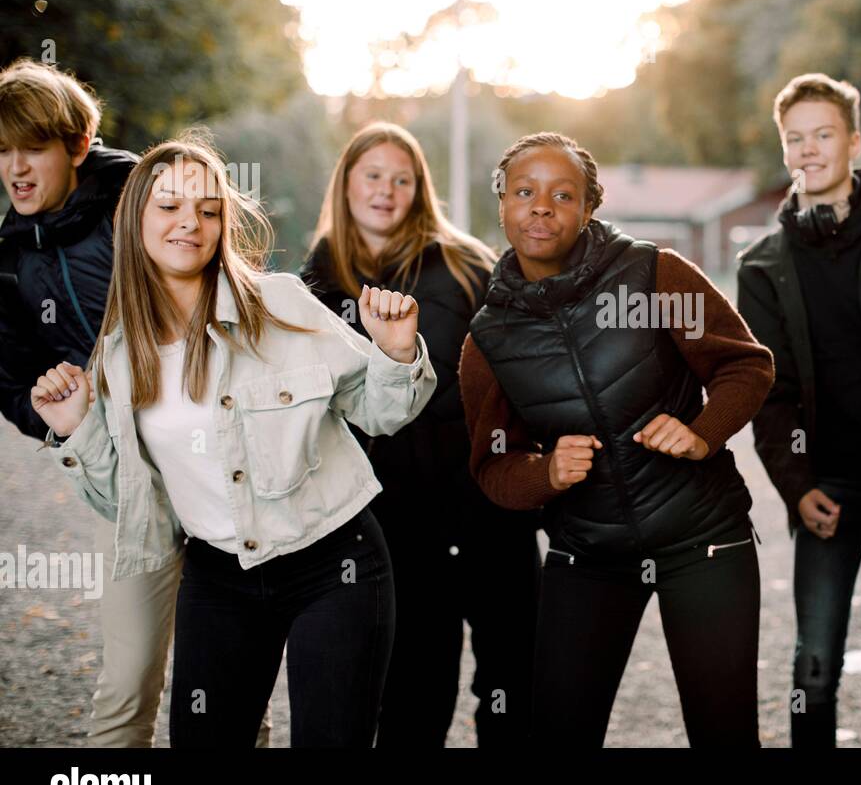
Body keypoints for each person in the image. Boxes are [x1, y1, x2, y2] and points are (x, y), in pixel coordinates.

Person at [32, 132, 435, 747]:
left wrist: (396, 350)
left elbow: (381, 413)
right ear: (135, 218)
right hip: (219, 577)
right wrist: (76, 431)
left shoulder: (282, 306)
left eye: (208, 209)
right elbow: (128, 507)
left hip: (335, 565)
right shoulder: (116, 354)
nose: (189, 223)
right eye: (168, 206)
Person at [459, 131, 775, 746]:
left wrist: (701, 433)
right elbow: (491, 467)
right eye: (524, 192)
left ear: (588, 208)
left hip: (703, 539)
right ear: (501, 203)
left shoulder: (652, 273)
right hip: (589, 554)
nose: (541, 206)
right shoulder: (487, 341)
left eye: (563, 194)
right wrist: (544, 472)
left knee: (725, 733)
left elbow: (747, 365)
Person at [0, 58, 242, 748]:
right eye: (2, 150)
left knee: (225, 683)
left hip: (216, 455)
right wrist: (55, 417)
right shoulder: (8, 261)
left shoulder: (144, 200)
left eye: (33, 147)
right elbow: (12, 381)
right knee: (129, 677)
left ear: (77, 146)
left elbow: (225, 290)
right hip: (124, 478)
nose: (15, 166)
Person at [301, 121, 539, 747]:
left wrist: (534, 472)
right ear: (346, 185)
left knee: (514, 685)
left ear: (419, 188)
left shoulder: (466, 265)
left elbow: (525, 368)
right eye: (373, 176)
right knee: (412, 694)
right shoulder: (317, 284)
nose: (387, 190)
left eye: (401, 179)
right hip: (395, 523)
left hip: (489, 507)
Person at [737, 73, 861, 746]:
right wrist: (797, 489)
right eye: (795, 139)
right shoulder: (763, 264)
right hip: (829, 482)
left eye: (823, 134)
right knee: (814, 668)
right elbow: (771, 391)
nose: (809, 150)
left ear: (853, 140)